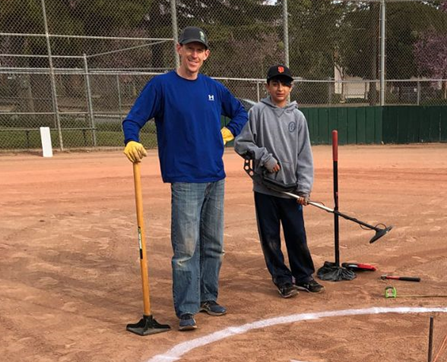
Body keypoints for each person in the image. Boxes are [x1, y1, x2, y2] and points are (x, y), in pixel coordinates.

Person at [122, 26, 248, 330]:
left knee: (214, 244)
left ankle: (208, 296)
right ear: (179, 49)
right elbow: (134, 118)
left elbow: (241, 112)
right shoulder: (162, 86)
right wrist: (131, 139)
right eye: (189, 48)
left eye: (199, 50)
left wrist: (229, 132)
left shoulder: (214, 88)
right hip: (185, 178)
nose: (194, 54)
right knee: (186, 248)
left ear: (206, 54)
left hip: (215, 177)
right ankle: (187, 308)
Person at [234, 64, 324, 298]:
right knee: (270, 237)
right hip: (265, 190)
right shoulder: (257, 113)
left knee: (297, 234)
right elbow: (241, 143)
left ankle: (303, 276)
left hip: (291, 189)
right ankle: (282, 279)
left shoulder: (298, 117)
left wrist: (304, 187)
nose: (280, 88)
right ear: (268, 86)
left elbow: (304, 155)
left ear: (291, 87)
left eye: (284, 84)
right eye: (275, 83)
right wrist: (263, 157)